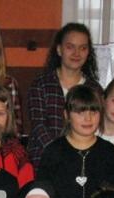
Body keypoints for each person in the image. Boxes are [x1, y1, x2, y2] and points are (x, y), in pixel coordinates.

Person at [37, 85, 114, 198]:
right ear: (66, 115)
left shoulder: (110, 153)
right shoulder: (53, 152)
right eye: (80, 112)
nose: (88, 118)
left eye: (93, 111)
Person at [27, 22, 101, 168]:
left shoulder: (95, 89)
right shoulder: (41, 84)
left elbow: (96, 128)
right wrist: (63, 155)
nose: (76, 53)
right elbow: (38, 126)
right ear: (59, 50)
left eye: (83, 48)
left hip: (84, 162)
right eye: (70, 47)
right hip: (44, 160)